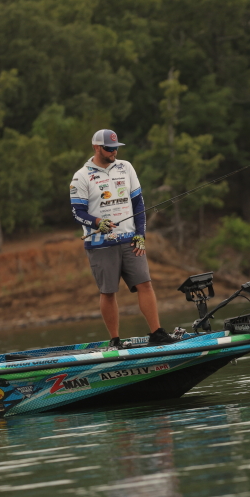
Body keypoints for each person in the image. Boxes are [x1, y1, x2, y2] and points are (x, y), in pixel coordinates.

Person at [70, 129, 175, 349]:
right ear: (96, 147)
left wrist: (140, 235)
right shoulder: (81, 176)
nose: (114, 152)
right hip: (100, 245)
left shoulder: (126, 167)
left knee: (145, 284)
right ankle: (115, 340)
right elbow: (78, 212)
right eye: (109, 148)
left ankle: (157, 333)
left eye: (116, 148)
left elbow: (138, 204)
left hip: (130, 240)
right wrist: (97, 223)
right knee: (108, 292)